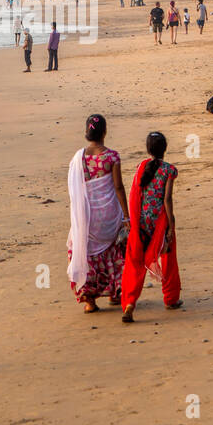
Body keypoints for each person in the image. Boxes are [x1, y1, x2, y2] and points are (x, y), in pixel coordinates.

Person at [66, 115, 128, 313]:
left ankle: (89, 301)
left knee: (88, 253)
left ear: (87, 132)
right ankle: (115, 293)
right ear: (104, 132)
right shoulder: (112, 157)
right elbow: (118, 187)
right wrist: (126, 216)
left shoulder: (78, 159)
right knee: (114, 251)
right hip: (108, 215)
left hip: (87, 216)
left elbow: (76, 189)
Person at [120, 132, 183, 322]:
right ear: (165, 149)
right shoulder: (169, 170)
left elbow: (136, 194)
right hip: (159, 223)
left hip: (140, 224)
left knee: (134, 263)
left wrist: (132, 221)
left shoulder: (141, 167)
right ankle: (171, 299)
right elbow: (167, 200)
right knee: (168, 258)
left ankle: (130, 304)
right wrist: (171, 226)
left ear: (148, 149)